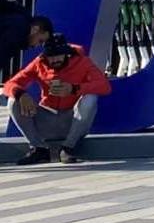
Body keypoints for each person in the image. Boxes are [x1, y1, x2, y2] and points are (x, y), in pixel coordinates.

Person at [5, 33, 110, 165]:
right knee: (13, 100)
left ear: (66, 53)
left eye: (59, 55)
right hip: (46, 120)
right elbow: (10, 84)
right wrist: (21, 94)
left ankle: (68, 148)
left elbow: (105, 86)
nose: (55, 60)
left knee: (91, 97)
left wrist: (74, 88)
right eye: (51, 56)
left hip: (73, 120)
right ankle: (38, 148)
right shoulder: (39, 62)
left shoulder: (83, 62)